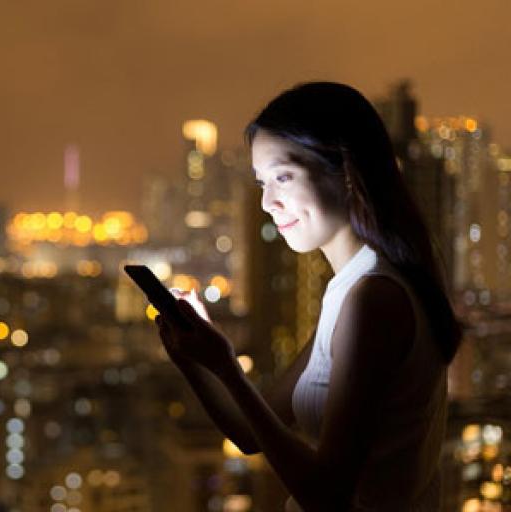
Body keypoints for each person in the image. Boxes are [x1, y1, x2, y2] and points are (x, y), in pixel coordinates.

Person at [155, 81, 462, 511]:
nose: (267, 202)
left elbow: (328, 495)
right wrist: (195, 360)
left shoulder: (375, 297)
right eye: (262, 182)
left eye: (283, 177)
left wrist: (225, 364)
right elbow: (250, 432)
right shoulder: (351, 289)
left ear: (348, 172)